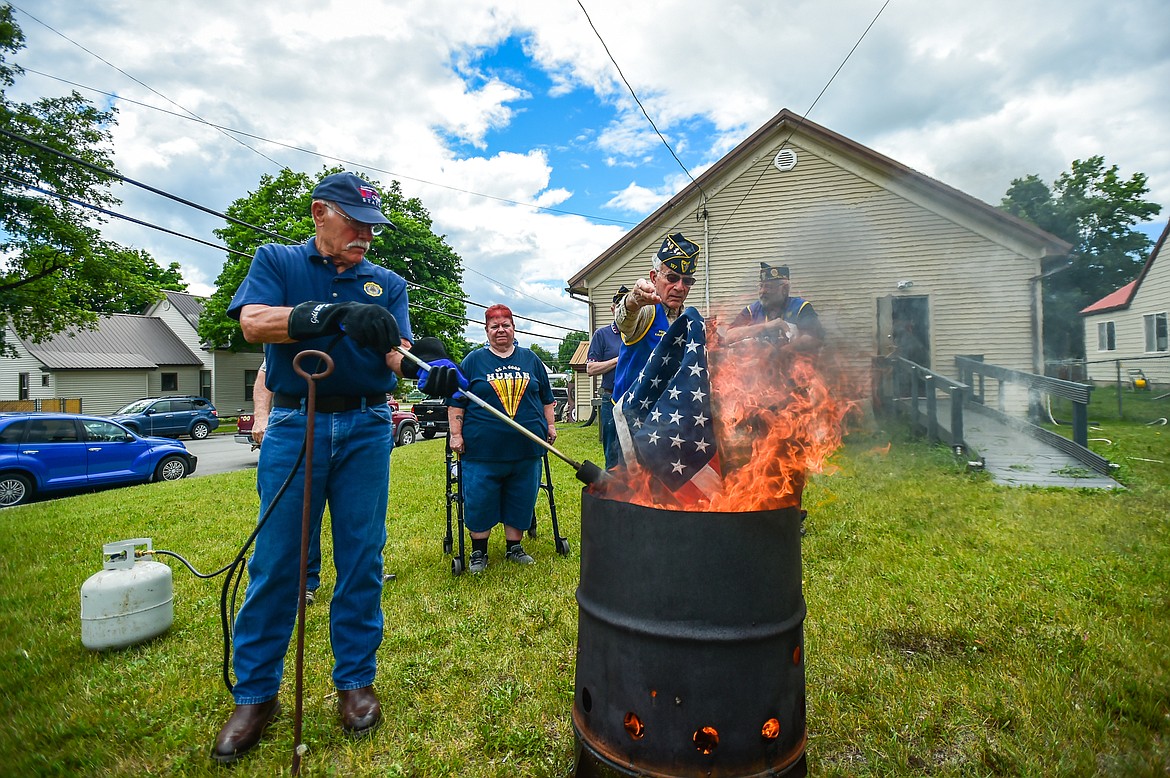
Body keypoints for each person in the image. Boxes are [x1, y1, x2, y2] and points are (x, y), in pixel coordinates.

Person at [214, 171, 460, 764]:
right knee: (279, 562)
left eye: (373, 227)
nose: (367, 236)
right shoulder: (275, 260)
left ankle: (354, 681)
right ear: (320, 212)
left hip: (368, 426)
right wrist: (330, 313)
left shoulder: (387, 282)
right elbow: (253, 323)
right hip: (297, 422)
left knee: (361, 555)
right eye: (355, 223)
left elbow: (394, 351)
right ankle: (256, 695)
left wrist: (429, 373)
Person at [447, 304, 556, 574]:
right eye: (494, 326)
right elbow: (456, 400)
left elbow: (546, 399)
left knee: (521, 496)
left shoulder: (531, 359)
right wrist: (456, 434)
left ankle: (514, 547)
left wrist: (550, 426)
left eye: (505, 325)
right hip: (482, 451)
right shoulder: (473, 361)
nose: (500, 330)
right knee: (480, 498)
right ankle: (478, 552)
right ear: (486, 331)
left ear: (514, 327)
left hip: (527, 449)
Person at [612, 233, 701, 400]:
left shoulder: (689, 320)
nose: (679, 287)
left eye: (687, 281)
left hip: (667, 415)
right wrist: (633, 300)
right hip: (629, 417)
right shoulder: (647, 310)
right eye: (672, 278)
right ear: (654, 277)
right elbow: (624, 321)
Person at [725, 262, 824, 349]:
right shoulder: (752, 310)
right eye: (761, 286)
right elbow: (729, 336)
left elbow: (814, 338)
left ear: (784, 289)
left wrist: (778, 353)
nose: (762, 291)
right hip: (758, 367)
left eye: (769, 287)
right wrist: (765, 327)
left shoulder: (800, 307)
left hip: (793, 366)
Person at [586, 285, 628, 469]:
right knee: (613, 452)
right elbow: (591, 368)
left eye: (627, 307)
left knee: (639, 450)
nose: (623, 311)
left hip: (638, 399)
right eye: (619, 306)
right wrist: (619, 360)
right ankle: (613, 493)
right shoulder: (602, 335)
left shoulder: (641, 334)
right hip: (610, 398)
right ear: (613, 309)